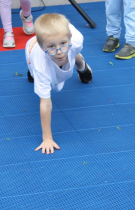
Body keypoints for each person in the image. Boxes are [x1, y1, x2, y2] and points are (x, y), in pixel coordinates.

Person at [25, 13, 93, 154]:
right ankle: (31, 68)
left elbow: (66, 27)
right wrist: (47, 138)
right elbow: (46, 102)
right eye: (51, 46)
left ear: (69, 39)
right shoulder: (40, 65)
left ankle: (81, 66)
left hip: (58, 47)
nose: (59, 51)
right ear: (42, 47)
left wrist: (54, 46)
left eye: (63, 43)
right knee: (35, 75)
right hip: (35, 56)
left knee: (73, 54)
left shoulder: (76, 41)